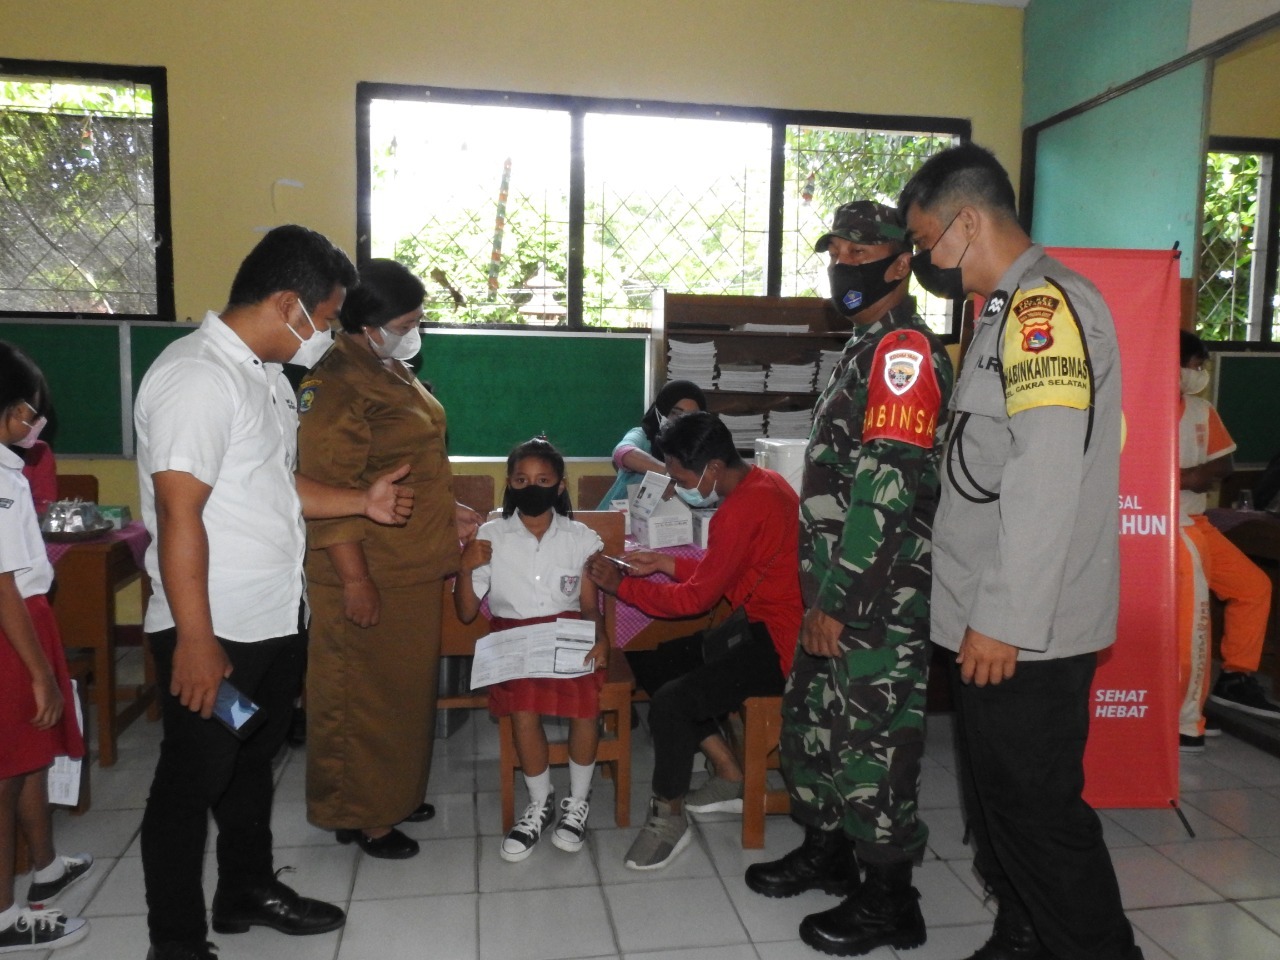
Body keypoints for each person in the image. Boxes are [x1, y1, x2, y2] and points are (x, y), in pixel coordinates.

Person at [134, 225, 415, 960]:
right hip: (216, 627)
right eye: (325, 317)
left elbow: (271, 485)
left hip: (270, 618)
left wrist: (361, 501)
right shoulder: (196, 377)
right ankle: (175, 942)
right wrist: (196, 641)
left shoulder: (260, 375)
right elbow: (179, 513)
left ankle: (245, 890)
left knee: (249, 765)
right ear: (289, 304)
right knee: (190, 784)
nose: (327, 332)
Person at [900, 144, 1143, 960]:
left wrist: (1001, 619)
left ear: (967, 222)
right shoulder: (1002, 310)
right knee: (998, 804)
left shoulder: (1044, 312)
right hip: (989, 613)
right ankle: (1025, 933)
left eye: (928, 241)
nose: (927, 260)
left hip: (1024, 633)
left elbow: (1043, 476)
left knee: (1040, 814)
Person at [746, 201, 953, 957]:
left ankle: (891, 900)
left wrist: (840, 600)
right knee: (817, 726)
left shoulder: (904, 352)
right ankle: (828, 852)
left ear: (901, 263)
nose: (844, 264)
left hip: (876, 599)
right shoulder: (863, 346)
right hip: (836, 588)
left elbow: (887, 489)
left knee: (875, 746)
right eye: (836, 251)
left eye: (861, 252)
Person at [296, 259, 483, 859]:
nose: (413, 332)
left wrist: (448, 509)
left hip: (410, 565)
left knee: (401, 696)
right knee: (360, 697)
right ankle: (363, 815)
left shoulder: (390, 370)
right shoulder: (335, 385)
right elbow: (327, 489)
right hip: (366, 569)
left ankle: (392, 794)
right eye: (405, 323)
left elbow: (411, 461)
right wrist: (355, 581)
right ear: (366, 323)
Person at [587, 411, 803, 871]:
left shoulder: (742, 508)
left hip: (774, 645)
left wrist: (621, 587)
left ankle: (669, 817)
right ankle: (729, 772)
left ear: (713, 468)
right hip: (751, 627)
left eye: (681, 476)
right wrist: (664, 564)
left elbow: (695, 600)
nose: (677, 484)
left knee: (671, 702)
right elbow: (726, 570)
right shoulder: (763, 484)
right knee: (653, 660)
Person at [454, 437, 607, 862]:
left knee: (586, 704)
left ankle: (577, 803)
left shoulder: (580, 537)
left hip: (568, 632)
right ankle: (540, 802)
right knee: (523, 706)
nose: (531, 487)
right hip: (513, 636)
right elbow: (466, 613)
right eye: (521, 480)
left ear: (560, 486)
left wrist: (602, 638)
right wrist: (465, 568)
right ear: (509, 483)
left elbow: (590, 606)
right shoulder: (490, 535)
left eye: (543, 480)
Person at [0, 343, 92, 954]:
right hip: (13, 635)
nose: (37, 424)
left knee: (29, 757)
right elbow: (2, 583)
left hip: (26, 622)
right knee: (5, 774)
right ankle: (4, 918)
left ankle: (46, 867)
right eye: (32, 411)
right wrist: (39, 674)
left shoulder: (9, 469)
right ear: (12, 411)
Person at [1176, 330, 1279, 753]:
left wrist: (1193, 475)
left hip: (1198, 520)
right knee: (1193, 620)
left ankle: (1235, 677)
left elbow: (1224, 464)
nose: (1200, 373)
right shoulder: (1140, 407)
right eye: (1195, 365)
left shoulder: (1201, 410)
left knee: (1254, 587)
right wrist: (1182, 477)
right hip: (1166, 525)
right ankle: (1185, 716)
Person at [596, 380, 707, 507]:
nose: (683, 421)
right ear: (661, 411)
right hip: (618, 516)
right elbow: (622, 452)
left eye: (692, 416)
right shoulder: (643, 436)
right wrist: (671, 474)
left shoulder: (699, 448)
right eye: (675, 413)